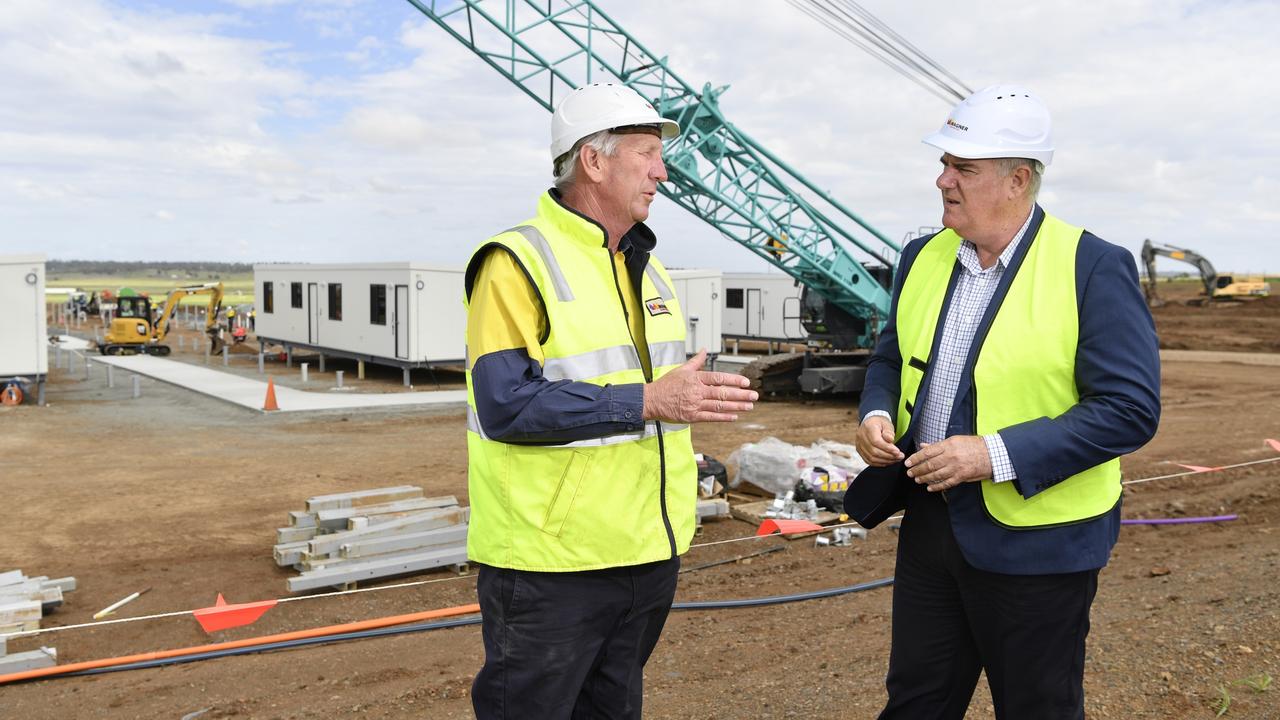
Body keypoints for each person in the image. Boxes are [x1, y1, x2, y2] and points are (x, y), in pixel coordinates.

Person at [851, 85, 1161, 719]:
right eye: (945, 164)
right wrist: (876, 413)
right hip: (932, 524)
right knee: (915, 703)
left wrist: (991, 454)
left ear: (1018, 179)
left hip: (1041, 540)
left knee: (1036, 707)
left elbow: (1129, 408)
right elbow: (890, 356)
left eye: (962, 167)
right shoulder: (921, 256)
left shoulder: (1092, 266)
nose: (942, 180)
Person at [463, 82, 758, 720]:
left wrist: (685, 399)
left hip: (645, 554)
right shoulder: (516, 263)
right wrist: (649, 399)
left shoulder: (646, 268)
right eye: (648, 152)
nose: (662, 170)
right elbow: (506, 405)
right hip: (552, 567)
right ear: (593, 162)